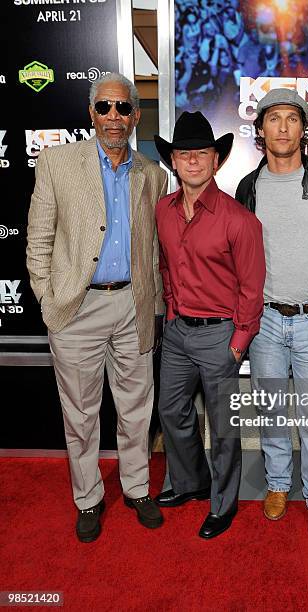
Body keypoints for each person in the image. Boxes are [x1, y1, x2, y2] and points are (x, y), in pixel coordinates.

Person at [26, 73, 168, 543]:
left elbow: (153, 248)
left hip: (132, 304)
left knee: (135, 408)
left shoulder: (153, 174)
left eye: (123, 108)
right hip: (77, 308)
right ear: (91, 113)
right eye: (104, 107)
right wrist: (48, 296)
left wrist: (152, 304)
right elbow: (39, 238)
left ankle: (137, 488)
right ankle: (87, 499)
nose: (113, 117)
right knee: (81, 414)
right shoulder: (57, 163)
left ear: (135, 117)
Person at [235, 88, 308, 540]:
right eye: (274, 118)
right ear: (260, 130)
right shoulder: (247, 188)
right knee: (272, 411)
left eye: (292, 118)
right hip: (265, 321)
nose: (283, 127)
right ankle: (279, 483)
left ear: (304, 128)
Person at [154, 111, 265, 539]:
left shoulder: (239, 220)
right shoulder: (163, 211)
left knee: (223, 427)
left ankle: (223, 503)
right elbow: (165, 266)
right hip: (178, 331)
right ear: (174, 161)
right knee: (171, 412)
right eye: (185, 154)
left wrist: (237, 346)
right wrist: (170, 310)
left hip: (221, 335)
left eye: (202, 153)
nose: (193, 161)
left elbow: (251, 290)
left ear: (215, 160)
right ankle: (190, 484)